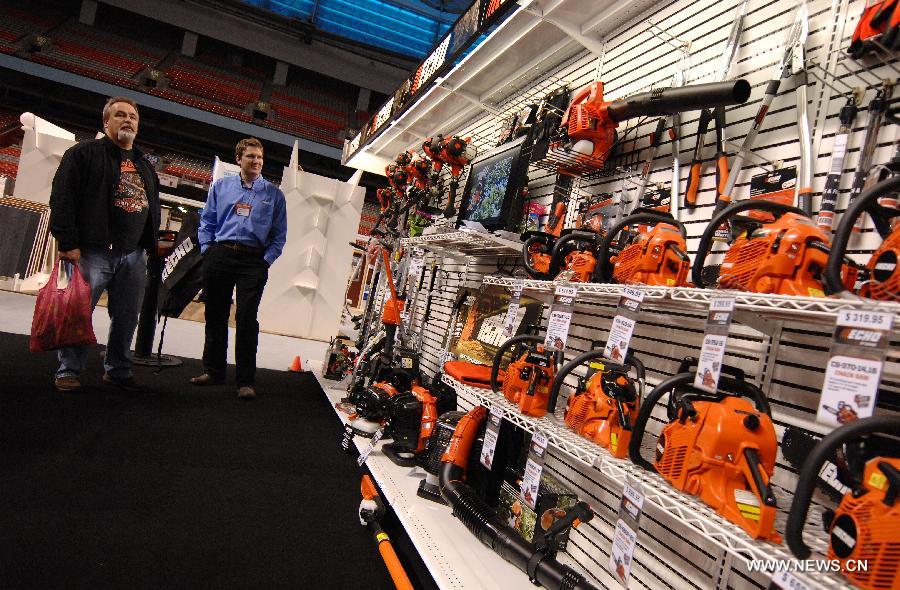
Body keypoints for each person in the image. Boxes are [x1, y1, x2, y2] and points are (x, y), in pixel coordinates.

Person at [48, 96, 161, 392]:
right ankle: (68, 370)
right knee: (78, 313)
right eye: (120, 115)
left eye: (133, 117)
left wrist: (150, 246)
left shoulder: (144, 165)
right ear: (106, 122)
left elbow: (152, 207)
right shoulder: (83, 154)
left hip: (134, 255)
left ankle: (119, 369)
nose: (128, 120)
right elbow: (62, 198)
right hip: (91, 252)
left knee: (126, 317)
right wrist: (68, 242)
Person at [191, 138, 287, 399]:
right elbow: (207, 221)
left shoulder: (274, 195)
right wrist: (207, 250)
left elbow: (279, 235)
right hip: (220, 255)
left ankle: (245, 380)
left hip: (253, 261)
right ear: (239, 159)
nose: (256, 161)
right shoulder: (221, 187)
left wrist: (265, 260)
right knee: (215, 314)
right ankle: (213, 371)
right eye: (251, 157)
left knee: (246, 319)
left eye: (260, 158)